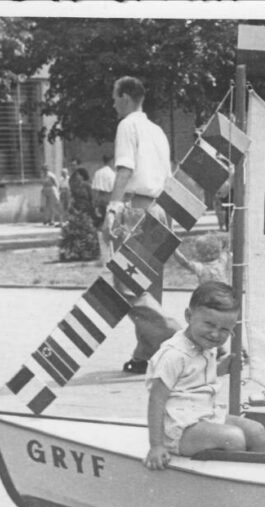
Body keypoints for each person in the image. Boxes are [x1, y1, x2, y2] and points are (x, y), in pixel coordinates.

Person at [144, 281, 265, 470]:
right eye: (209, 324)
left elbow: (190, 378)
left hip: (205, 415)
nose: (215, 334)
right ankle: (231, 483)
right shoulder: (173, 355)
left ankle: (256, 477)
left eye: (225, 329)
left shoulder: (205, 345)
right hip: (179, 428)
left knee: (256, 432)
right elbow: (156, 399)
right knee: (233, 438)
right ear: (188, 316)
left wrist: (220, 369)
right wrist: (156, 446)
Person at [104, 75, 181, 374]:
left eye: (114, 97)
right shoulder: (157, 130)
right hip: (162, 208)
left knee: (126, 286)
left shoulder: (127, 125)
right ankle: (146, 355)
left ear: (125, 96)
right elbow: (168, 174)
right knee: (150, 287)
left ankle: (181, 341)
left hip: (138, 207)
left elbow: (125, 169)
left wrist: (112, 208)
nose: (112, 103)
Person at [91, 155, 116, 228]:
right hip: (109, 198)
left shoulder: (97, 172)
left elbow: (94, 188)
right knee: (109, 220)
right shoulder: (112, 174)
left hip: (99, 198)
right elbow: (113, 187)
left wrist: (94, 202)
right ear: (111, 161)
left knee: (100, 219)